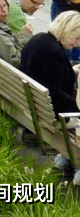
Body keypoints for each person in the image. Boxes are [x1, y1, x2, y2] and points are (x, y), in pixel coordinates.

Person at [20, 11, 80, 176]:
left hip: (33, 104)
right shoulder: (54, 54)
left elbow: (47, 77)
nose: (77, 44)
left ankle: (63, 160)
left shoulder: (39, 40)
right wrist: (78, 109)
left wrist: (69, 71)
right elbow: (57, 96)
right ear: (65, 31)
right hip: (51, 114)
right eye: (76, 38)